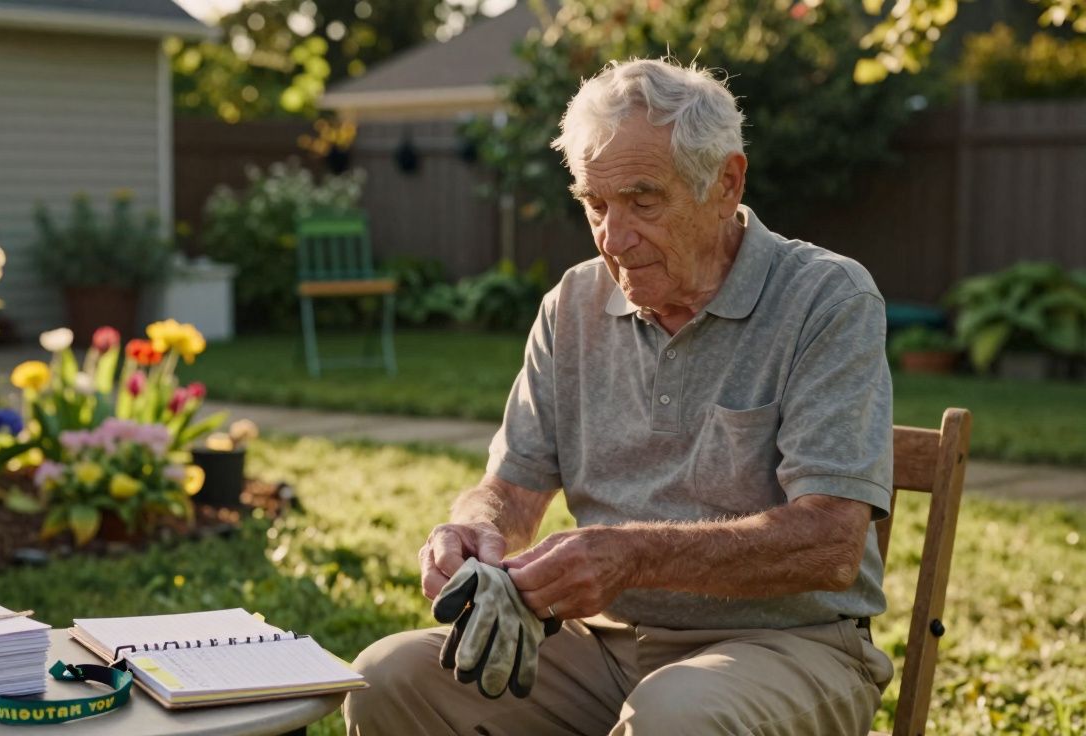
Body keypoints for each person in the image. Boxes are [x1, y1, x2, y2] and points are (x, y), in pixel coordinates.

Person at [344, 57, 896, 735]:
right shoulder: (572, 303)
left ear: (726, 182)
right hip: (598, 649)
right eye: (595, 204)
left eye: (643, 201)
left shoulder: (824, 298)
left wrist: (633, 554)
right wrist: (475, 529)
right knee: (386, 680)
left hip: (790, 646)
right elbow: (511, 491)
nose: (613, 237)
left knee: (671, 719)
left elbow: (831, 544)